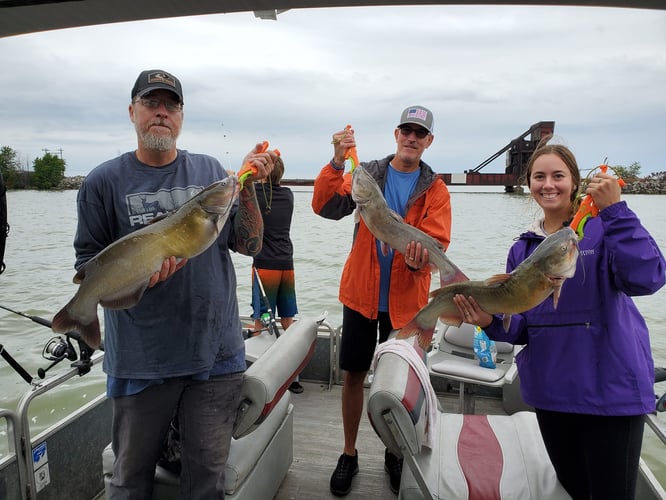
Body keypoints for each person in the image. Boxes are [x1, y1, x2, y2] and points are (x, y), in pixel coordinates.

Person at [73, 69, 277, 500]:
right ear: (133, 112)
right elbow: (87, 264)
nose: (161, 112)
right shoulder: (102, 183)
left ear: (181, 116)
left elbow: (250, 243)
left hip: (215, 358)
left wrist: (250, 188)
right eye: (151, 103)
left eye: (171, 105)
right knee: (129, 482)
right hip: (140, 363)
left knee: (206, 484)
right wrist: (126, 286)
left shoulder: (210, 171)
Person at [454, 139, 666, 500]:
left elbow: (648, 278)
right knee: (574, 490)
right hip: (552, 396)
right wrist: (489, 321)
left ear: (575, 182)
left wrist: (616, 211)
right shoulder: (522, 249)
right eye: (539, 176)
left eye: (558, 175)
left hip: (609, 394)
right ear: (528, 184)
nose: (548, 184)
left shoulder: (603, 230)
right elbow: (522, 327)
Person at [312, 106, 453, 496]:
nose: (411, 137)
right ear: (395, 134)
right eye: (406, 130)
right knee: (354, 375)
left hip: (407, 302)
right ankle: (349, 451)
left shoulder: (436, 189)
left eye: (419, 133)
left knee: (400, 382)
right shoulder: (366, 175)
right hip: (361, 295)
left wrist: (420, 261)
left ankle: (395, 452)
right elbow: (324, 207)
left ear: (429, 141)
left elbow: (437, 241)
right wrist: (338, 161)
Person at [250, 156, 302, 393]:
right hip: (286, 263)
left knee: (260, 321)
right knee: (287, 321)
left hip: (265, 265)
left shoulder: (256, 195)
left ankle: (259, 375)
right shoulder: (289, 195)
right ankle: (294, 377)